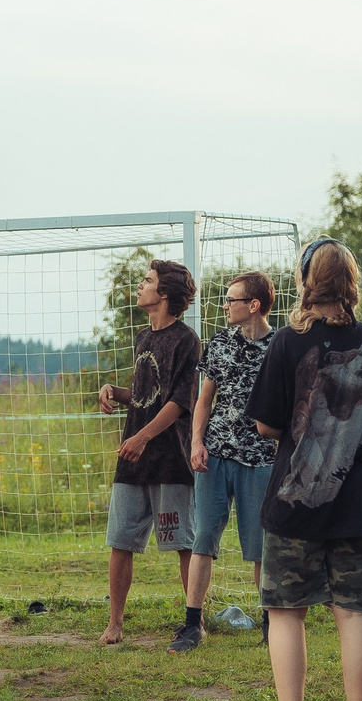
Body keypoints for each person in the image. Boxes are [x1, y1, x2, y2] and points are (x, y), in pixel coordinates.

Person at [245, 239, 362, 701]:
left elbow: (267, 424)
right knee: (354, 612)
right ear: (351, 282)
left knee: (286, 613)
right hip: (358, 503)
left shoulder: (286, 344)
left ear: (305, 280)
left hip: (294, 502)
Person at [97, 259, 201, 646]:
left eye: (147, 281)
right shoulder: (143, 337)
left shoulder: (187, 340)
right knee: (120, 540)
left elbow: (177, 403)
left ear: (164, 294)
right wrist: (114, 391)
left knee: (183, 544)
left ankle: (194, 621)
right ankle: (115, 624)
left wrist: (142, 437)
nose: (140, 286)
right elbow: (145, 396)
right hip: (133, 461)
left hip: (170, 459)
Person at [180, 271, 277, 649]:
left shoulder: (281, 346)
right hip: (216, 455)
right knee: (203, 537)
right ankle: (192, 623)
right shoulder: (220, 343)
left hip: (261, 459)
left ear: (253, 305)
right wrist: (196, 442)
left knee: (260, 547)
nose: (225, 305)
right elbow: (205, 399)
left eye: (232, 299)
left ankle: (273, 624)